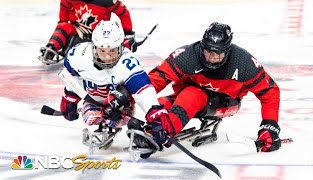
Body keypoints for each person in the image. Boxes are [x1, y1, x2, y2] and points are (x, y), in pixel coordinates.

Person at [130, 22, 281, 157]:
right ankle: (151, 130)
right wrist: (125, 98)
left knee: (192, 94)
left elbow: (270, 91)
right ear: (202, 46)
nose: (212, 58)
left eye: (218, 53)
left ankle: (165, 131)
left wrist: (270, 126)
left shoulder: (242, 62)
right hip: (191, 95)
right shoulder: (187, 55)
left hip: (227, 102)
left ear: (227, 51)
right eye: (209, 51)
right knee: (161, 103)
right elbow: (156, 79)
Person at [59, 15, 170, 150]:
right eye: (102, 50)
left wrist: (156, 115)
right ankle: (105, 118)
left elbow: (143, 92)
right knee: (90, 118)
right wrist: (69, 99)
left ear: (120, 47)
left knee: (116, 118)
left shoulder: (128, 63)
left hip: (120, 107)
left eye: (112, 50)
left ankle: (112, 118)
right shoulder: (77, 55)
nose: (107, 56)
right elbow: (73, 79)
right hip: (93, 101)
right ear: (94, 47)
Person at [39, 0, 137, 65]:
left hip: (98, 35)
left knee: (64, 25)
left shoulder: (108, 1)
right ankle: (52, 47)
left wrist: (127, 36)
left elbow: (124, 14)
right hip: (77, 30)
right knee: (64, 26)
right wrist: (63, 22)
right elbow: (64, 5)